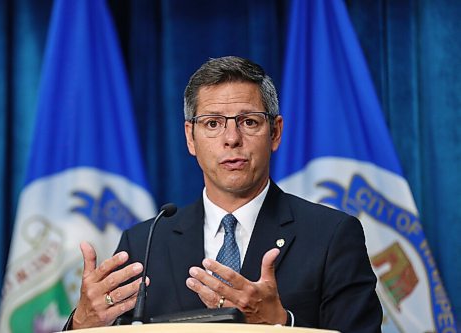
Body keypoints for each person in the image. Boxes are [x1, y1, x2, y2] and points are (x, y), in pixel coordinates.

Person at [64, 56, 382, 332]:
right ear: (190, 137)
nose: (232, 138)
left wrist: (284, 326)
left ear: (275, 133)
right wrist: (82, 324)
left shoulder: (332, 236)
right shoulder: (146, 242)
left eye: (249, 121)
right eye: (213, 123)